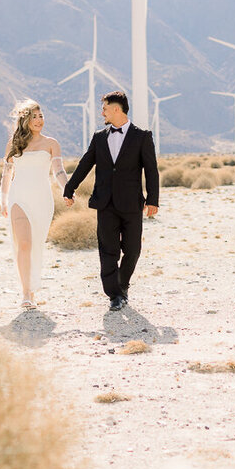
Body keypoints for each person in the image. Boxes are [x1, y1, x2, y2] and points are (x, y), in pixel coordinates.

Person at [63, 90, 159, 312]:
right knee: (108, 251)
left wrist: (153, 199)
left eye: (105, 108)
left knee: (133, 249)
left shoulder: (142, 136)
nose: (102, 112)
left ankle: (122, 285)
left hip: (132, 203)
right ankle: (114, 295)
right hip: (105, 203)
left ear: (117, 109)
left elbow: (151, 170)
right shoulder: (99, 137)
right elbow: (86, 163)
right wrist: (70, 187)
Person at [0, 100, 68, 310]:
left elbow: (58, 171)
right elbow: (6, 174)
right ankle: (26, 293)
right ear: (25, 119)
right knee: (24, 243)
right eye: (34, 117)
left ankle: (33, 288)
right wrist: (3, 198)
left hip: (41, 199)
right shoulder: (13, 144)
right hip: (18, 197)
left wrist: (68, 189)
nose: (39, 120)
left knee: (35, 244)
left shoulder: (51, 143)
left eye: (41, 116)